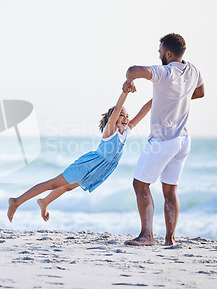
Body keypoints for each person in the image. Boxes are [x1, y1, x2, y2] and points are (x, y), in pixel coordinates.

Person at [8, 90, 152, 222]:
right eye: (121, 115)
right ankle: (16, 201)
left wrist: (160, 95)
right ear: (112, 118)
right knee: (52, 183)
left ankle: (44, 202)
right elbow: (118, 106)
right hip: (87, 166)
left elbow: (143, 112)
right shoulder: (110, 131)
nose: (125, 118)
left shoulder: (126, 132)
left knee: (67, 187)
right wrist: (125, 91)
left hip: (95, 171)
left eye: (127, 116)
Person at [122, 33, 204, 246]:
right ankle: (170, 239)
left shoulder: (164, 72)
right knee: (170, 190)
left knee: (140, 184)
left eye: (160, 52)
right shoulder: (193, 70)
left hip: (162, 141)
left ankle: (147, 235)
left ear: (168, 53)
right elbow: (201, 93)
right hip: (183, 141)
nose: (159, 55)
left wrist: (128, 82)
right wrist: (177, 98)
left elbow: (133, 70)